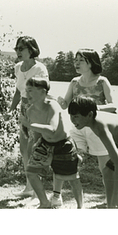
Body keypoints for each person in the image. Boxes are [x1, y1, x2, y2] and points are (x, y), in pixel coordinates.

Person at [55, 48, 116, 207]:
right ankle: (57, 196)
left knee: (105, 168)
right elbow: (65, 105)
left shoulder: (102, 81)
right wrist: (59, 101)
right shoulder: (74, 82)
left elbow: (113, 106)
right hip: (78, 128)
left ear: (91, 62)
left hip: (98, 129)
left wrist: (93, 108)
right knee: (68, 159)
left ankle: (113, 199)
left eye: (80, 60)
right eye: (75, 60)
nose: (76, 63)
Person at [19, 77, 83, 208]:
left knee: (72, 178)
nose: (27, 94)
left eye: (30, 90)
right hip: (45, 144)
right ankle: (44, 203)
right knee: (31, 171)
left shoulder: (53, 105)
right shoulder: (30, 111)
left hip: (63, 144)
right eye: (26, 90)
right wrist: (34, 149)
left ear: (43, 92)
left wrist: (29, 125)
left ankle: (81, 207)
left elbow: (52, 129)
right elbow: (37, 134)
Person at [8, 36, 49, 198]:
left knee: (34, 149)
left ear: (31, 50)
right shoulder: (18, 67)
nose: (17, 51)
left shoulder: (40, 69)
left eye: (21, 49)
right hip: (23, 109)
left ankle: (38, 188)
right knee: (24, 149)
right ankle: (29, 187)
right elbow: (19, 92)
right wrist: (11, 109)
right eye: (16, 48)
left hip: (37, 109)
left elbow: (44, 92)